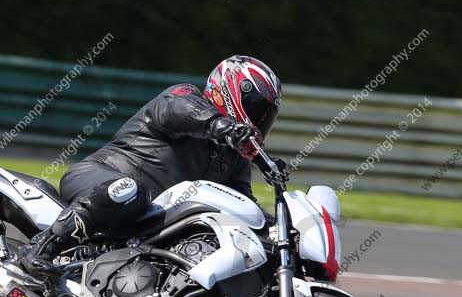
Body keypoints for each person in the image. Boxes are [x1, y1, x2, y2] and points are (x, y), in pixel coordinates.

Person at [18, 55, 283, 278]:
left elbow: (244, 208)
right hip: (101, 178)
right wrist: (221, 125)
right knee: (130, 190)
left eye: (266, 115)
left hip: (145, 225)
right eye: (256, 109)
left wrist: (278, 230)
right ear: (230, 91)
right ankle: (41, 248)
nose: (259, 120)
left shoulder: (233, 157)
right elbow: (180, 110)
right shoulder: (185, 97)